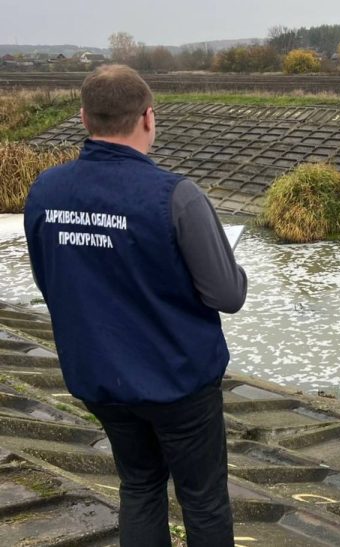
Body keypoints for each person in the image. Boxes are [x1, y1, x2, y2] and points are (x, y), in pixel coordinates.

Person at [24, 65, 247, 547]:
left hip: (100, 378)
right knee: (203, 499)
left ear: (84, 118)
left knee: (140, 486)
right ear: (149, 117)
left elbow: (51, 281)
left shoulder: (46, 191)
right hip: (178, 382)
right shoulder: (176, 196)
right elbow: (227, 295)